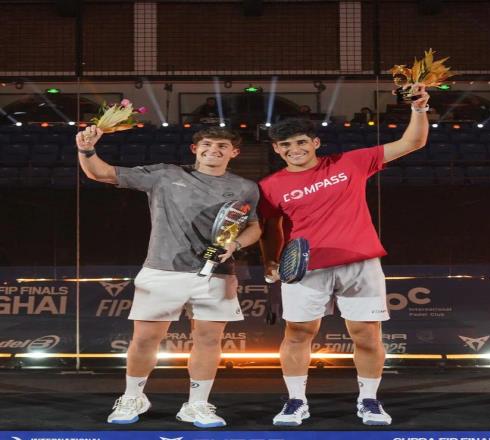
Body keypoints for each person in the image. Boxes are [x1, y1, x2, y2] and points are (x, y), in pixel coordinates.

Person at [258, 84, 430, 427]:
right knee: (297, 333)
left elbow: (412, 142)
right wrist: (271, 260)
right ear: (277, 149)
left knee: (366, 335)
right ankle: (295, 401)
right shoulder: (270, 186)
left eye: (301, 142)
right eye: (286, 145)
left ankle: (369, 401)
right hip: (305, 268)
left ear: (315, 142)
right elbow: (270, 228)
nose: (294, 149)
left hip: (359, 262)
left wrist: (419, 108)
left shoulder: (350, 162)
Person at [76, 125, 261, 427]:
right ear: (195, 149)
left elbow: (253, 226)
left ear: (234, 152)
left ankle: (197, 404)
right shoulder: (165, 174)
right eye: (207, 144)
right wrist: (86, 149)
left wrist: (235, 245)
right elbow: (102, 173)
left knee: (208, 340)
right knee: (145, 339)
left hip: (216, 275)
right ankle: (133, 397)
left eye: (222, 146)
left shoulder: (245, 187)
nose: (213, 150)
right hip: (162, 271)